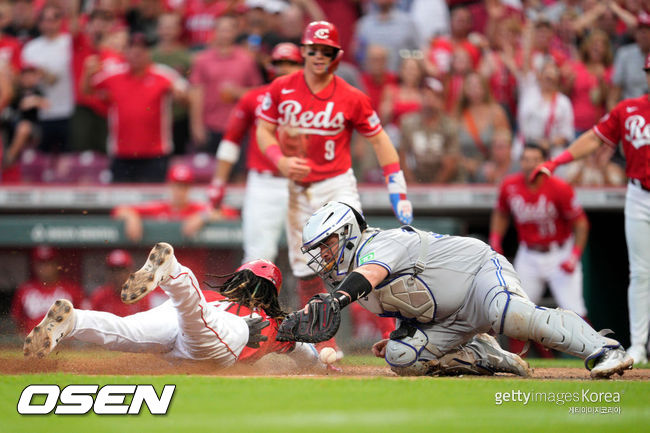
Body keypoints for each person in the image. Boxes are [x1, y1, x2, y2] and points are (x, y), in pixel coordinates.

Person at [275, 201, 633, 378]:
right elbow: (408, 301)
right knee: (401, 357)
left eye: (328, 242)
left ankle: (604, 349)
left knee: (513, 316)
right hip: (447, 319)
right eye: (319, 247)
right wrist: (402, 334)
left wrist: (336, 301)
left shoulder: (377, 245)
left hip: (478, 276)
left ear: (349, 232)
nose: (323, 253)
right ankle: (486, 355)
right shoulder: (345, 276)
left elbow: (371, 274)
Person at [255, 21, 413, 354]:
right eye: (313, 49)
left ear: (335, 55)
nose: (318, 56)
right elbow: (263, 131)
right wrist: (279, 160)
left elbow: (380, 139)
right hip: (298, 187)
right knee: (305, 265)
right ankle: (324, 343)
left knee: (360, 255)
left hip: (337, 182)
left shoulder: (351, 95)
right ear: (304, 51)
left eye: (326, 51)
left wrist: (396, 186)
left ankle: (391, 333)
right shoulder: (280, 88)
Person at [530, 51, 650, 365]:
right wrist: (556, 161)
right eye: (649, 71)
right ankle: (638, 346)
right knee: (640, 273)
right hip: (639, 193)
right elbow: (594, 139)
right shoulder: (630, 109)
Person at [23, 243, 320, 369]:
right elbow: (306, 354)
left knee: (125, 332)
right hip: (223, 337)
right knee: (195, 314)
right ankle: (173, 270)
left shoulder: (215, 295)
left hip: (182, 320)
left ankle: (73, 321)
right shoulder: (272, 321)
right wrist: (322, 367)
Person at [490, 143, 590, 356]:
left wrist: (574, 256)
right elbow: (501, 212)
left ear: (545, 163)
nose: (530, 165)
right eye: (526, 159)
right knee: (516, 310)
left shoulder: (559, 187)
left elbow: (581, 223)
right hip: (528, 255)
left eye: (536, 160)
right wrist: (496, 238)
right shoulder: (510, 185)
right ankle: (520, 360)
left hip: (559, 252)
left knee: (575, 311)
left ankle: (593, 355)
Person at [208, 42, 303, 265]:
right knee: (257, 256)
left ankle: (311, 302)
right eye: (280, 62)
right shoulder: (254, 98)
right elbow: (231, 140)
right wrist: (218, 182)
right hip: (264, 184)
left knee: (308, 257)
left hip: (301, 182)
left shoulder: (314, 101)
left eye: (290, 63)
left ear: (301, 66)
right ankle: (253, 302)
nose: (284, 68)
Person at [82, 32, 189, 183]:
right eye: (132, 48)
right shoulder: (113, 74)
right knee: (121, 202)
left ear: (148, 53)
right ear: (125, 52)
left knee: (152, 201)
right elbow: (87, 90)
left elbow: (185, 95)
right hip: (122, 154)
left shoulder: (162, 73)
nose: (136, 53)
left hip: (155, 154)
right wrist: (87, 73)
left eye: (141, 49)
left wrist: (181, 97)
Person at [189, 14, 262, 155]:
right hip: (210, 125)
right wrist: (196, 126)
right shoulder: (203, 60)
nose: (225, 34)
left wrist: (238, 92)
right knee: (208, 171)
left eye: (228, 30)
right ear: (214, 32)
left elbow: (258, 93)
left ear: (235, 32)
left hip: (239, 126)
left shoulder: (246, 59)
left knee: (237, 173)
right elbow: (196, 94)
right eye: (221, 30)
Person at [11, 246, 85, 334]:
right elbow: (16, 322)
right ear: (34, 265)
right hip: (32, 343)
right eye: (41, 263)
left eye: (49, 262)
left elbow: (82, 322)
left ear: (57, 264)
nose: (45, 267)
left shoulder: (72, 290)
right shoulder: (24, 290)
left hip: (65, 345)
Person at [89, 249, 166, 317]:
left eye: (122, 270)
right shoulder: (100, 297)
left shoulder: (141, 296)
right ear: (108, 273)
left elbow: (147, 327)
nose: (118, 275)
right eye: (114, 270)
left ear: (130, 271)